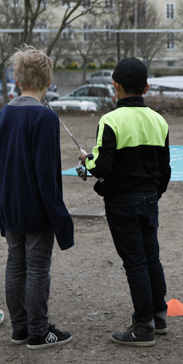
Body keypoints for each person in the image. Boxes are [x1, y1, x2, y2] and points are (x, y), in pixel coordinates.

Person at [79, 57, 171, 347]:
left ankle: (142, 327)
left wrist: (87, 159)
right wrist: (154, 193)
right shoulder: (159, 120)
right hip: (150, 199)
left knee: (134, 263)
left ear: (114, 86)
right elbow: (165, 169)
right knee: (151, 258)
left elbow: (101, 166)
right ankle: (158, 316)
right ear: (146, 87)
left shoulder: (110, 121)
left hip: (121, 203)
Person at [0, 45, 74, 349]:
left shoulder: (5, 112)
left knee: (15, 262)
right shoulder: (44, 117)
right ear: (48, 80)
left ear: (17, 80)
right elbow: (47, 174)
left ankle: (20, 329)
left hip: (10, 205)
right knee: (37, 266)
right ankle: (38, 331)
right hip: (35, 207)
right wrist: (59, 216)